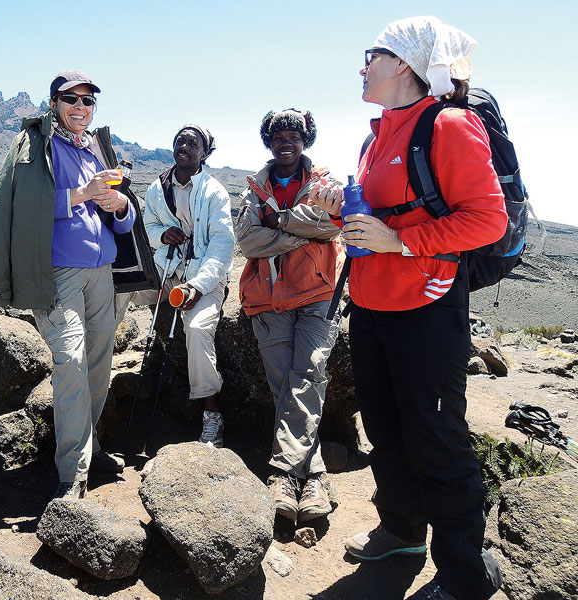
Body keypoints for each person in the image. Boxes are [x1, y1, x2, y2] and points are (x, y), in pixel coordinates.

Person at [314, 17, 506, 600]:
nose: (361, 67)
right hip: (371, 308)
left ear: (403, 63)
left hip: (426, 311)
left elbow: (487, 218)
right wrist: (335, 209)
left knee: (436, 439)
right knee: (387, 431)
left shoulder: (448, 125)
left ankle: (464, 580)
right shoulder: (377, 136)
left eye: (370, 56)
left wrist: (399, 242)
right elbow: (373, 219)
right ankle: (402, 533)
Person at [0, 70, 155, 500]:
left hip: (102, 273)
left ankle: (87, 446)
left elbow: (124, 220)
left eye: (88, 101)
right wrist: (82, 193)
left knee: (98, 363)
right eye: (71, 99)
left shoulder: (95, 149)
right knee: (71, 361)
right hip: (58, 273)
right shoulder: (37, 148)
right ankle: (71, 470)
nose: (81, 108)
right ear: (55, 103)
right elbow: (27, 207)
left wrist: (118, 206)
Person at [235, 109, 343, 523]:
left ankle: (282, 473)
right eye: (278, 136)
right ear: (268, 141)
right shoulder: (255, 186)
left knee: (307, 376)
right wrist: (299, 230)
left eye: (294, 136)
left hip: (317, 293)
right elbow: (248, 240)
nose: (286, 142)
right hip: (268, 297)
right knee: (287, 384)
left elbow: (329, 223)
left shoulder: (323, 181)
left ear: (305, 140)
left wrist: (277, 221)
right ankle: (313, 475)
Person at [140, 125, 235, 447]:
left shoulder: (215, 192)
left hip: (203, 278)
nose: (184, 145)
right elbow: (148, 226)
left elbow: (222, 246)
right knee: (120, 288)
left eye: (193, 143)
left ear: (204, 153)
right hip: (167, 270)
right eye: (180, 140)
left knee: (195, 329)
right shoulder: (157, 188)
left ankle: (211, 415)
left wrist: (198, 285)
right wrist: (163, 234)